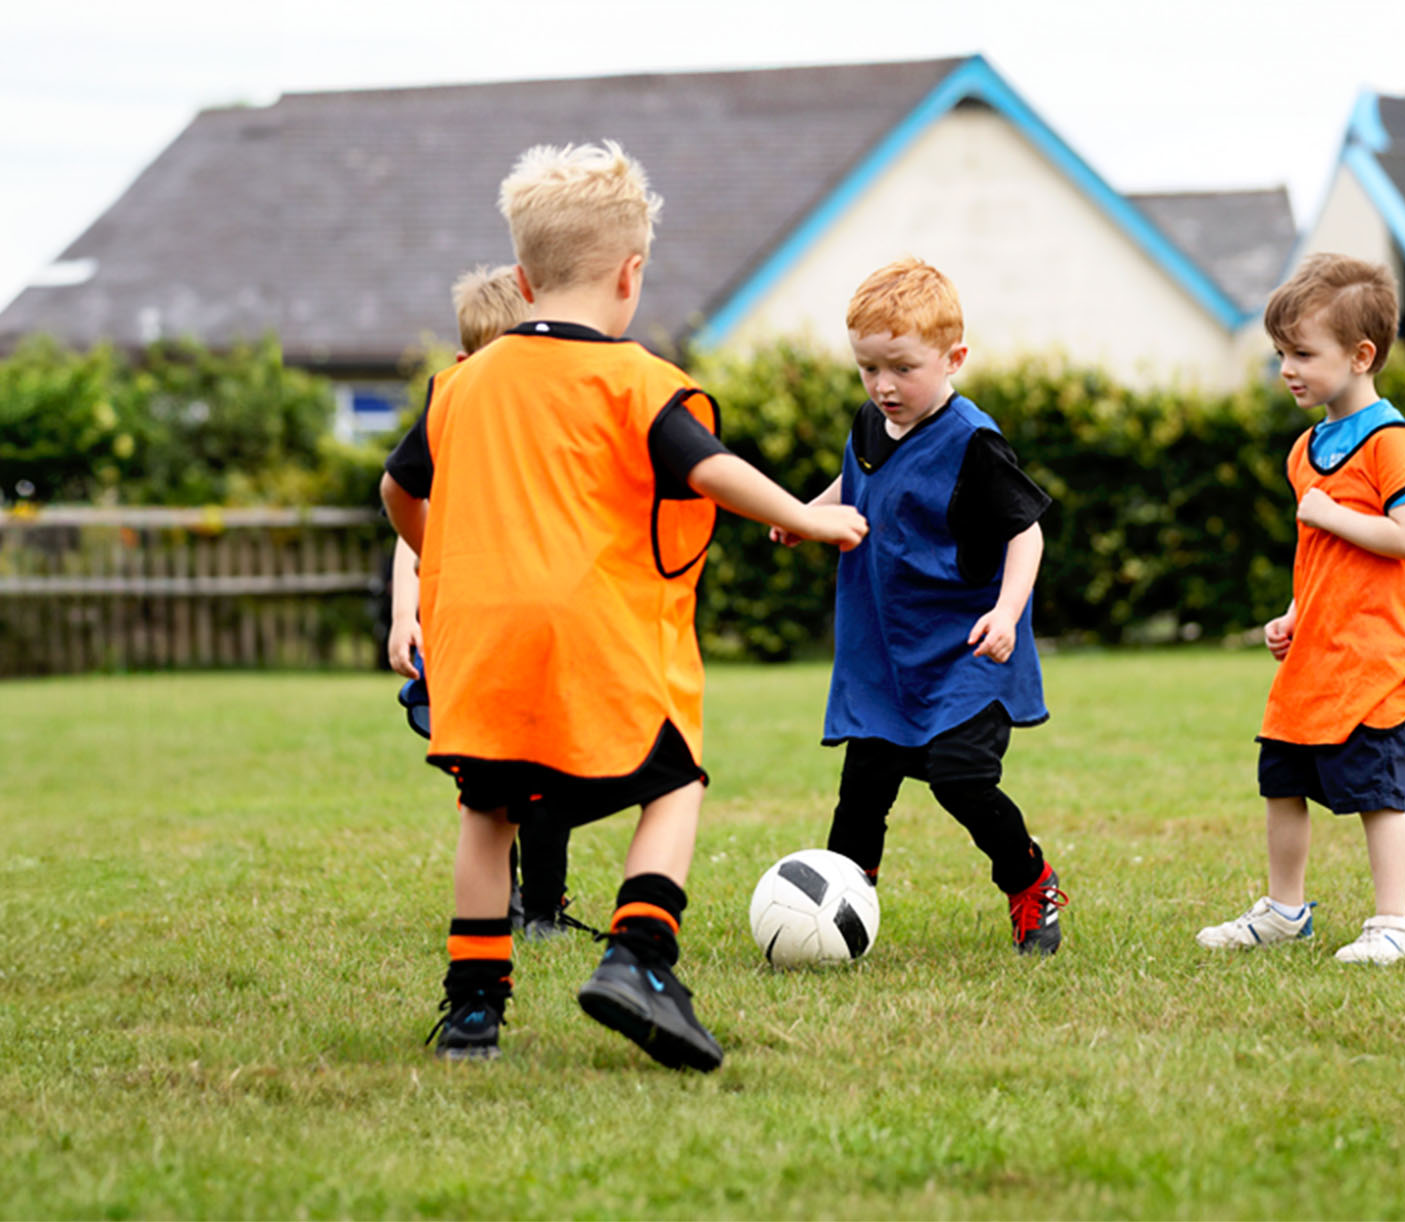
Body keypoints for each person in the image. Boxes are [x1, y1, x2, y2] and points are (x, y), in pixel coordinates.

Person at [382, 142, 867, 1067]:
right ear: (631, 274)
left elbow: (399, 490)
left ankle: (474, 1012)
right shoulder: (633, 380)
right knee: (672, 780)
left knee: (487, 812)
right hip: (591, 637)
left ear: (522, 279)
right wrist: (805, 516)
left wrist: (436, 551)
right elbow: (708, 470)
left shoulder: (460, 387)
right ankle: (640, 959)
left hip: (480, 640)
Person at [775, 258, 1067, 955]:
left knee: (960, 777)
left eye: (901, 368)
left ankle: (1031, 881)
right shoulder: (873, 425)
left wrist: (1006, 612)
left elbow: (1026, 531)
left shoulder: (973, 442)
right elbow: (852, 486)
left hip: (966, 649)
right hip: (887, 654)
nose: (882, 386)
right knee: (863, 791)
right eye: (867, 368)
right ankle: (842, 908)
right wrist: (805, 516)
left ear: (953, 358)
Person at [1196, 253, 1405, 966]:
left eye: (1301, 354)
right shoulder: (1308, 449)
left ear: (1361, 356)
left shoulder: (1393, 445)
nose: (1286, 368)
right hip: (1318, 656)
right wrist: (1293, 611)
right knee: (1282, 783)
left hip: (1377, 660)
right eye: (1281, 353)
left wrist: (1330, 513)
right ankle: (1285, 911)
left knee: (1379, 795)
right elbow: (1323, 559)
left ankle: (1394, 924)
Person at [389, 265, 585, 941]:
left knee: (547, 784)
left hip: (537, 637)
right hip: (472, 641)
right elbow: (412, 520)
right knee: (489, 789)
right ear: (466, 364)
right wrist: (404, 614)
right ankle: (495, 901)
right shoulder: (456, 422)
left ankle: (544, 906)